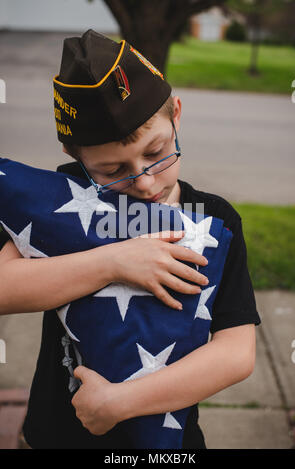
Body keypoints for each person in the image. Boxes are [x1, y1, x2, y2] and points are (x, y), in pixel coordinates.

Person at [0, 30, 260, 449]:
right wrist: (114, 262)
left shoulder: (215, 219)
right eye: (112, 170)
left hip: (165, 442)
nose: (144, 182)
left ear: (176, 114)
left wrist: (120, 402)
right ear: (75, 157)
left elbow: (236, 353)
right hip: (55, 435)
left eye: (157, 153)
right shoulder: (64, 200)